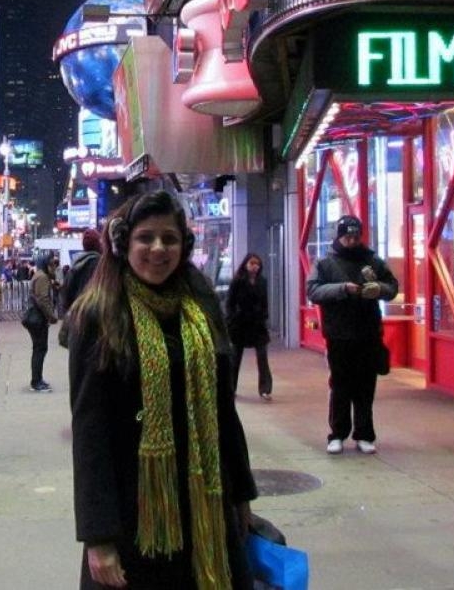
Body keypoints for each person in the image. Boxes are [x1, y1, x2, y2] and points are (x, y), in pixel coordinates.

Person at [67, 191, 257, 589]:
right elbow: (90, 432)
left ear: (183, 245)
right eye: (146, 238)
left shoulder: (200, 303)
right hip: (137, 516)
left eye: (169, 239)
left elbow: (224, 410)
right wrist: (98, 537)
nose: (158, 249)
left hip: (206, 503)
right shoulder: (99, 313)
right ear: (124, 244)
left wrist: (242, 494)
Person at [306, 214, 399, 455]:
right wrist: (342, 289)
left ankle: (365, 434)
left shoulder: (373, 261)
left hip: (368, 333)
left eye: (356, 236)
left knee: (366, 387)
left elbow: (392, 287)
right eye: (348, 236)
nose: (352, 240)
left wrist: (378, 289)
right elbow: (313, 291)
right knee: (340, 385)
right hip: (338, 334)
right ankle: (336, 434)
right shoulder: (325, 263)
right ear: (339, 236)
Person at [226, 253, 273, 401]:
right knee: (235, 358)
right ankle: (230, 388)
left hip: (257, 324)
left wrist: (265, 316)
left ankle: (265, 389)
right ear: (246, 264)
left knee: (262, 357)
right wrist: (232, 318)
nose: (254, 267)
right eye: (252, 263)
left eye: (257, 264)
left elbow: (265, 301)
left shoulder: (262, 281)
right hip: (240, 324)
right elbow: (229, 303)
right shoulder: (237, 281)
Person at [27, 253, 59, 391]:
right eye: (52, 264)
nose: (54, 267)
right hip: (38, 319)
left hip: (38, 318)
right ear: (46, 264)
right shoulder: (42, 277)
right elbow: (43, 300)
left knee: (39, 349)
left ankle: (38, 379)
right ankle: (36, 381)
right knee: (40, 349)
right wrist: (52, 316)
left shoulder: (42, 276)